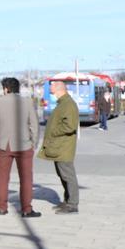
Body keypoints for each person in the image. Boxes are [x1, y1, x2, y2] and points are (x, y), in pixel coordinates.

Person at [0, 77, 39, 217]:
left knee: (3, 177)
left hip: (4, 145)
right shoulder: (27, 102)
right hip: (24, 145)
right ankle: (26, 209)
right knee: (26, 178)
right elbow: (34, 125)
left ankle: (2, 207)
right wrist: (33, 143)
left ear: (6, 88)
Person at [39, 79, 79, 214]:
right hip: (59, 146)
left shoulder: (68, 104)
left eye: (52, 86)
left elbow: (70, 126)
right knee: (63, 175)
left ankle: (73, 205)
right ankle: (67, 201)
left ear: (59, 88)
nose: (49, 88)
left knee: (68, 175)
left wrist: (53, 132)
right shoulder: (62, 103)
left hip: (63, 147)